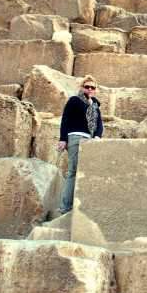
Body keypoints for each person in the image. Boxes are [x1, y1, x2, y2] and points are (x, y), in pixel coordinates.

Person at [57, 75, 103, 214]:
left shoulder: (95, 105)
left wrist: (97, 136)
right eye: (86, 86)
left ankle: (78, 206)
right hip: (76, 137)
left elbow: (99, 124)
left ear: (95, 90)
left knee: (84, 172)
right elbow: (65, 119)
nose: (89, 89)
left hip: (90, 140)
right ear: (82, 88)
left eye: (92, 87)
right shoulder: (74, 100)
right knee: (73, 172)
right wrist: (62, 139)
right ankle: (65, 207)